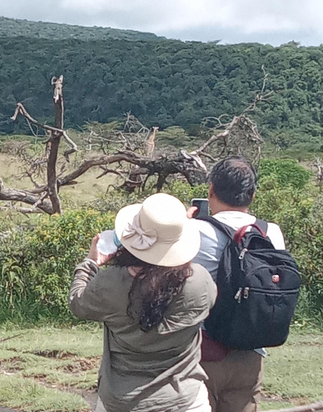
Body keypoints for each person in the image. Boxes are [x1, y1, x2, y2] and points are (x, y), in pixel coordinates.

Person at [69, 193, 217, 412]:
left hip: (122, 402)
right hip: (185, 401)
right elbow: (180, 283)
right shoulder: (201, 281)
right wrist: (172, 235)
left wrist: (90, 264)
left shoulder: (111, 282)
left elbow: (77, 302)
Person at [189, 156, 285, 412]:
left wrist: (182, 223)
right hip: (251, 350)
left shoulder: (194, 231)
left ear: (210, 190)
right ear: (252, 196)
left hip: (202, 349)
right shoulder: (270, 233)